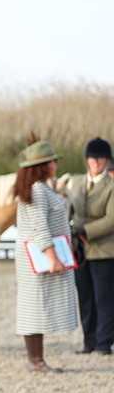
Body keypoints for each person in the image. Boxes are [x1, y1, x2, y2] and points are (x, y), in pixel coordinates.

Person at [13, 138, 79, 371]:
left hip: (33, 255)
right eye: (52, 160)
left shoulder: (37, 188)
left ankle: (37, 359)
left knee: (34, 305)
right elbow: (40, 226)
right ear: (43, 165)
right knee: (33, 306)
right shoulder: (38, 190)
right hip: (39, 256)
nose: (55, 164)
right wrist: (52, 256)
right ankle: (35, 360)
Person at [67, 137, 114, 355]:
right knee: (85, 297)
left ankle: (104, 343)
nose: (96, 161)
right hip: (79, 250)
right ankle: (89, 341)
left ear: (107, 161)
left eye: (100, 158)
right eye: (92, 158)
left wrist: (86, 230)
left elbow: (111, 219)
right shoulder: (76, 183)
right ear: (87, 160)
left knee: (103, 298)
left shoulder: (111, 186)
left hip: (104, 249)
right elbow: (69, 211)